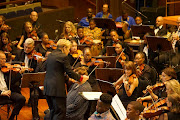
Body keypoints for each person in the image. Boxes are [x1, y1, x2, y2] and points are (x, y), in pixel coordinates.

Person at [44, 39, 89, 120]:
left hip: (47, 87)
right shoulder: (63, 56)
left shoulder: (50, 55)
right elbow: (70, 72)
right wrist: (81, 78)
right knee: (60, 112)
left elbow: (54, 70)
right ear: (64, 48)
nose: (68, 51)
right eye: (68, 49)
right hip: (57, 89)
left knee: (53, 111)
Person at [0, 51, 26, 120]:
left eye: (5, 59)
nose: (4, 61)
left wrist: (19, 73)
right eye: (2, 59)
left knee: (22, 99)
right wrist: (2, 93)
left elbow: (12, 81)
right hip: (1, 94)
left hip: (8, 91)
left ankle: (12, 117)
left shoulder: (5, 69)